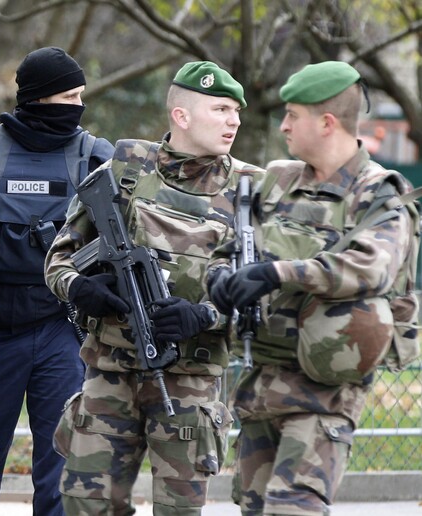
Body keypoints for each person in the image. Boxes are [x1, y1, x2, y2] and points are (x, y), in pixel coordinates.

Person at [44, 61, 264, 515]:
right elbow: (59, 260)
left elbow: (264, 294)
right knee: (87, 503)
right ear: (181, 116)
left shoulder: (251, 190)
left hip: (191, 385)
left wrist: (205, 315)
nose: (234, 120)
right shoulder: (125, 171)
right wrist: (80, 289)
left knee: (177, 510)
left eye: (236, 111)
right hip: (108, 374)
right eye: (221, 109)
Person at [207, 61, 414, 515]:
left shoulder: (380, 193)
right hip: (262, 382)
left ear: (327, 122)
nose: (283, 125)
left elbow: (371, 267)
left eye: (293, 115)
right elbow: (228, 247)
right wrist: (221, 277)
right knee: (255, 508)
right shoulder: (276, 181)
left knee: (294, 508)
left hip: (325, 389)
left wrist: (278, 273)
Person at [0, 46, 114, 516]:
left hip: (63, 329)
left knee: (61, 466)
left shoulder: (98, 156)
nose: (80, 105)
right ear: (38, 98)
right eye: (71, 94)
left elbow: (125, 240)